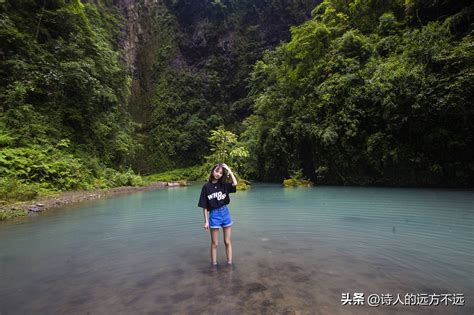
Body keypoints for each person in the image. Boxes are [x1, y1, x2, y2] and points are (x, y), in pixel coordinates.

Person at [198, 163, 238, 265]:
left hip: (225, 213)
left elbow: (235, 183)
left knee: (227, 241)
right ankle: (214, 265)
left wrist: (228, 169)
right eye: (216, 171)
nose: (218, 174)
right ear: (212, 171)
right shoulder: (206, 187)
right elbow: (205, 206)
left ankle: (230, 263)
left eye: (220, 173)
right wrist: (206, 221)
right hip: (214, 215)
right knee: (215, 243)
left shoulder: (223, 184)